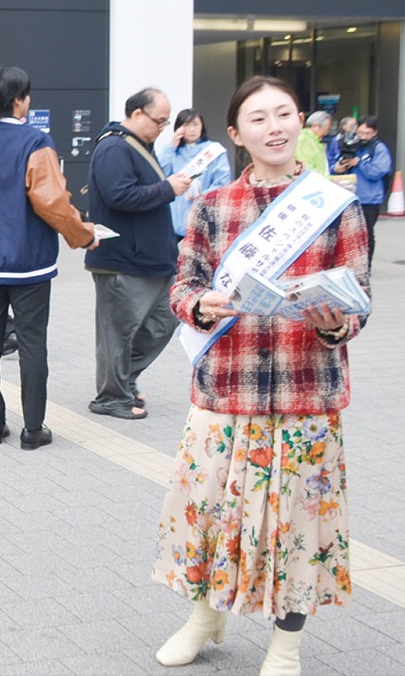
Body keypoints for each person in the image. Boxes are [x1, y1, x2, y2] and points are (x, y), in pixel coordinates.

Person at [153, 76, 369, 676]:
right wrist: (197, 306)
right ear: (235, 134)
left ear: (301, 121)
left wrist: (335, 322)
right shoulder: (212, 207)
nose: (274, 127)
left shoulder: (334, 206)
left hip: (305, 395)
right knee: (211, 513)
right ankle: (204, 618)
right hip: (227, 388)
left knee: (297, 523)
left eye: (284, 114)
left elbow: (360, 301)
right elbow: (183, 283)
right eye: (258, 118)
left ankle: (286, 646)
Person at [0, 67, 97, 449]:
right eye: (27, 96)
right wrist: (83, 235)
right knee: (32, 343)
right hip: (29, 260)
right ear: (19, 101)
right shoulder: (37, 143)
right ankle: (33, 429)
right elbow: (51, 202)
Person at [85, 88, 192, 420]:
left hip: (154, 257)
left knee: (164, 321)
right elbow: (119, 195)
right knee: (118, 332)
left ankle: (124, 380)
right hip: (124, 259)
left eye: (165, 121)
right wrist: (167, 189)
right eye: (158, 120)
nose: (162, 127)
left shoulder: (140, 146)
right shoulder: (114, 147)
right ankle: (111, 396)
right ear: (136, 114)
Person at [156, 108, 232, 239]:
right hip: (174, 223)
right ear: (179, 128)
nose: (192, 129)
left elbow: (223, 183)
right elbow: (159, 176)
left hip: (204, 220)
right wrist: (171, 146)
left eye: (195, 124)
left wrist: (201, 195)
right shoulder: (171, 152)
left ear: (202, 126)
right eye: (186, 125)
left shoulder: (213, 151)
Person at [330, 115, 392, 262]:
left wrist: (359, 163)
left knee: (366, 234)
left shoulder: (379, 148)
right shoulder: (351, 144)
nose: (363, 137)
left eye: (367, 134)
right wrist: (337, 167)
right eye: (360, 133)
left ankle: (366, 266)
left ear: (374, 132)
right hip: (348, 196)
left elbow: (377, 171)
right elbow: (334, 164)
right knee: (345, 234)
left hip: (369, 199)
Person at [295, 110, 331, 175]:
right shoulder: (304, 140)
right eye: (326, 129)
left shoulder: (314, 140)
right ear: (315, 126)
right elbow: (306, 169)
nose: (326, 133)